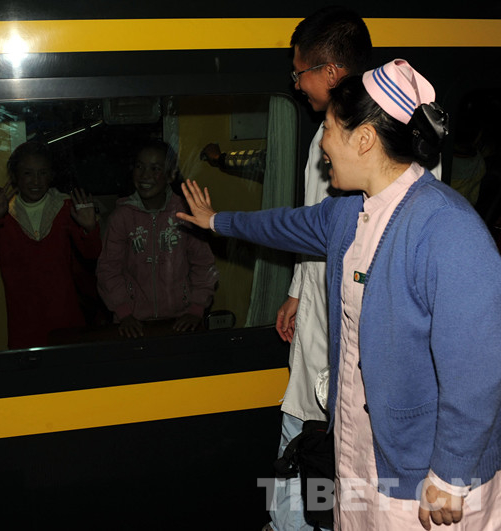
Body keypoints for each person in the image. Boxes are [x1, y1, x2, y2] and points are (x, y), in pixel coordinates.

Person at [178, 59, 501, 530]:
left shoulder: (448, 229)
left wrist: (452, 472)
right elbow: (284, 225)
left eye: (328, 129)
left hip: (424, 476)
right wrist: (216, 222)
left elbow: (477, 367)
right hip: (358, 452)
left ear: (364, 139)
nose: (322, 144)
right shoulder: (349, 213)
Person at [202, 8, 372, 531]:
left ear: (331, 72)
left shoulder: (379, 145)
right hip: (317, 338)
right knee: (296, 462)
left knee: (321, 481)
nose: (295, 85)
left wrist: (219, 222)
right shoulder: (326, 136)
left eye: (299, 73)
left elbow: (305, 226)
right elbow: (308, 226)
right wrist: (299, 288)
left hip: (347, 357)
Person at [0, 141, 101, 349]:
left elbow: (92, 255)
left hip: (67, 325)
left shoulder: (65, 208)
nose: (36, 181)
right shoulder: (3, 215)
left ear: (51, 176)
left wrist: (90, 228)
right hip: (24, 332)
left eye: (42, 173)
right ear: (15, 177)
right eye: (28, 173)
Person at [97, 139, 217, 337]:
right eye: (140, 167)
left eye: (155, 169)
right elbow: (108, 269)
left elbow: (204, 264)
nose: (145, 175)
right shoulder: (122, 217)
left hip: (180, 320)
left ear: (170, 175)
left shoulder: (185, 214)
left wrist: (196, 309)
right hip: (133, 323)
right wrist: (124, 313)